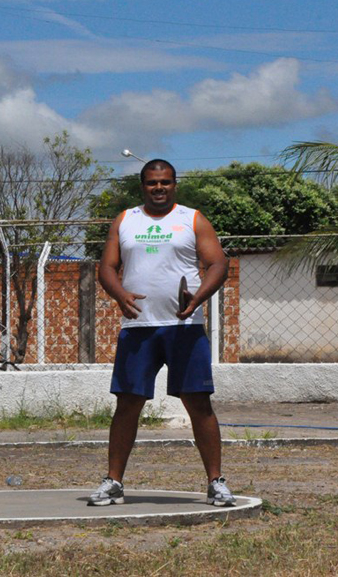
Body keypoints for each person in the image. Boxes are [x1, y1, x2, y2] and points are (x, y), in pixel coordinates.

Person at [88, 158, 235, 507]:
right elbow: (106, 268)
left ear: (174, 185)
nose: (159, 188)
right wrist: (120, 294)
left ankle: (216, 482)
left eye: (165, 182)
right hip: (139, 328)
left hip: (184, 326)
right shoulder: (125, 220)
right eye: (152, 183)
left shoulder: (192, 219)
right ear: (143, 185)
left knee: (199, 404)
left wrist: (199, 297)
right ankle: (113, 482)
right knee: (127, 404)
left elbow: (219, 263)